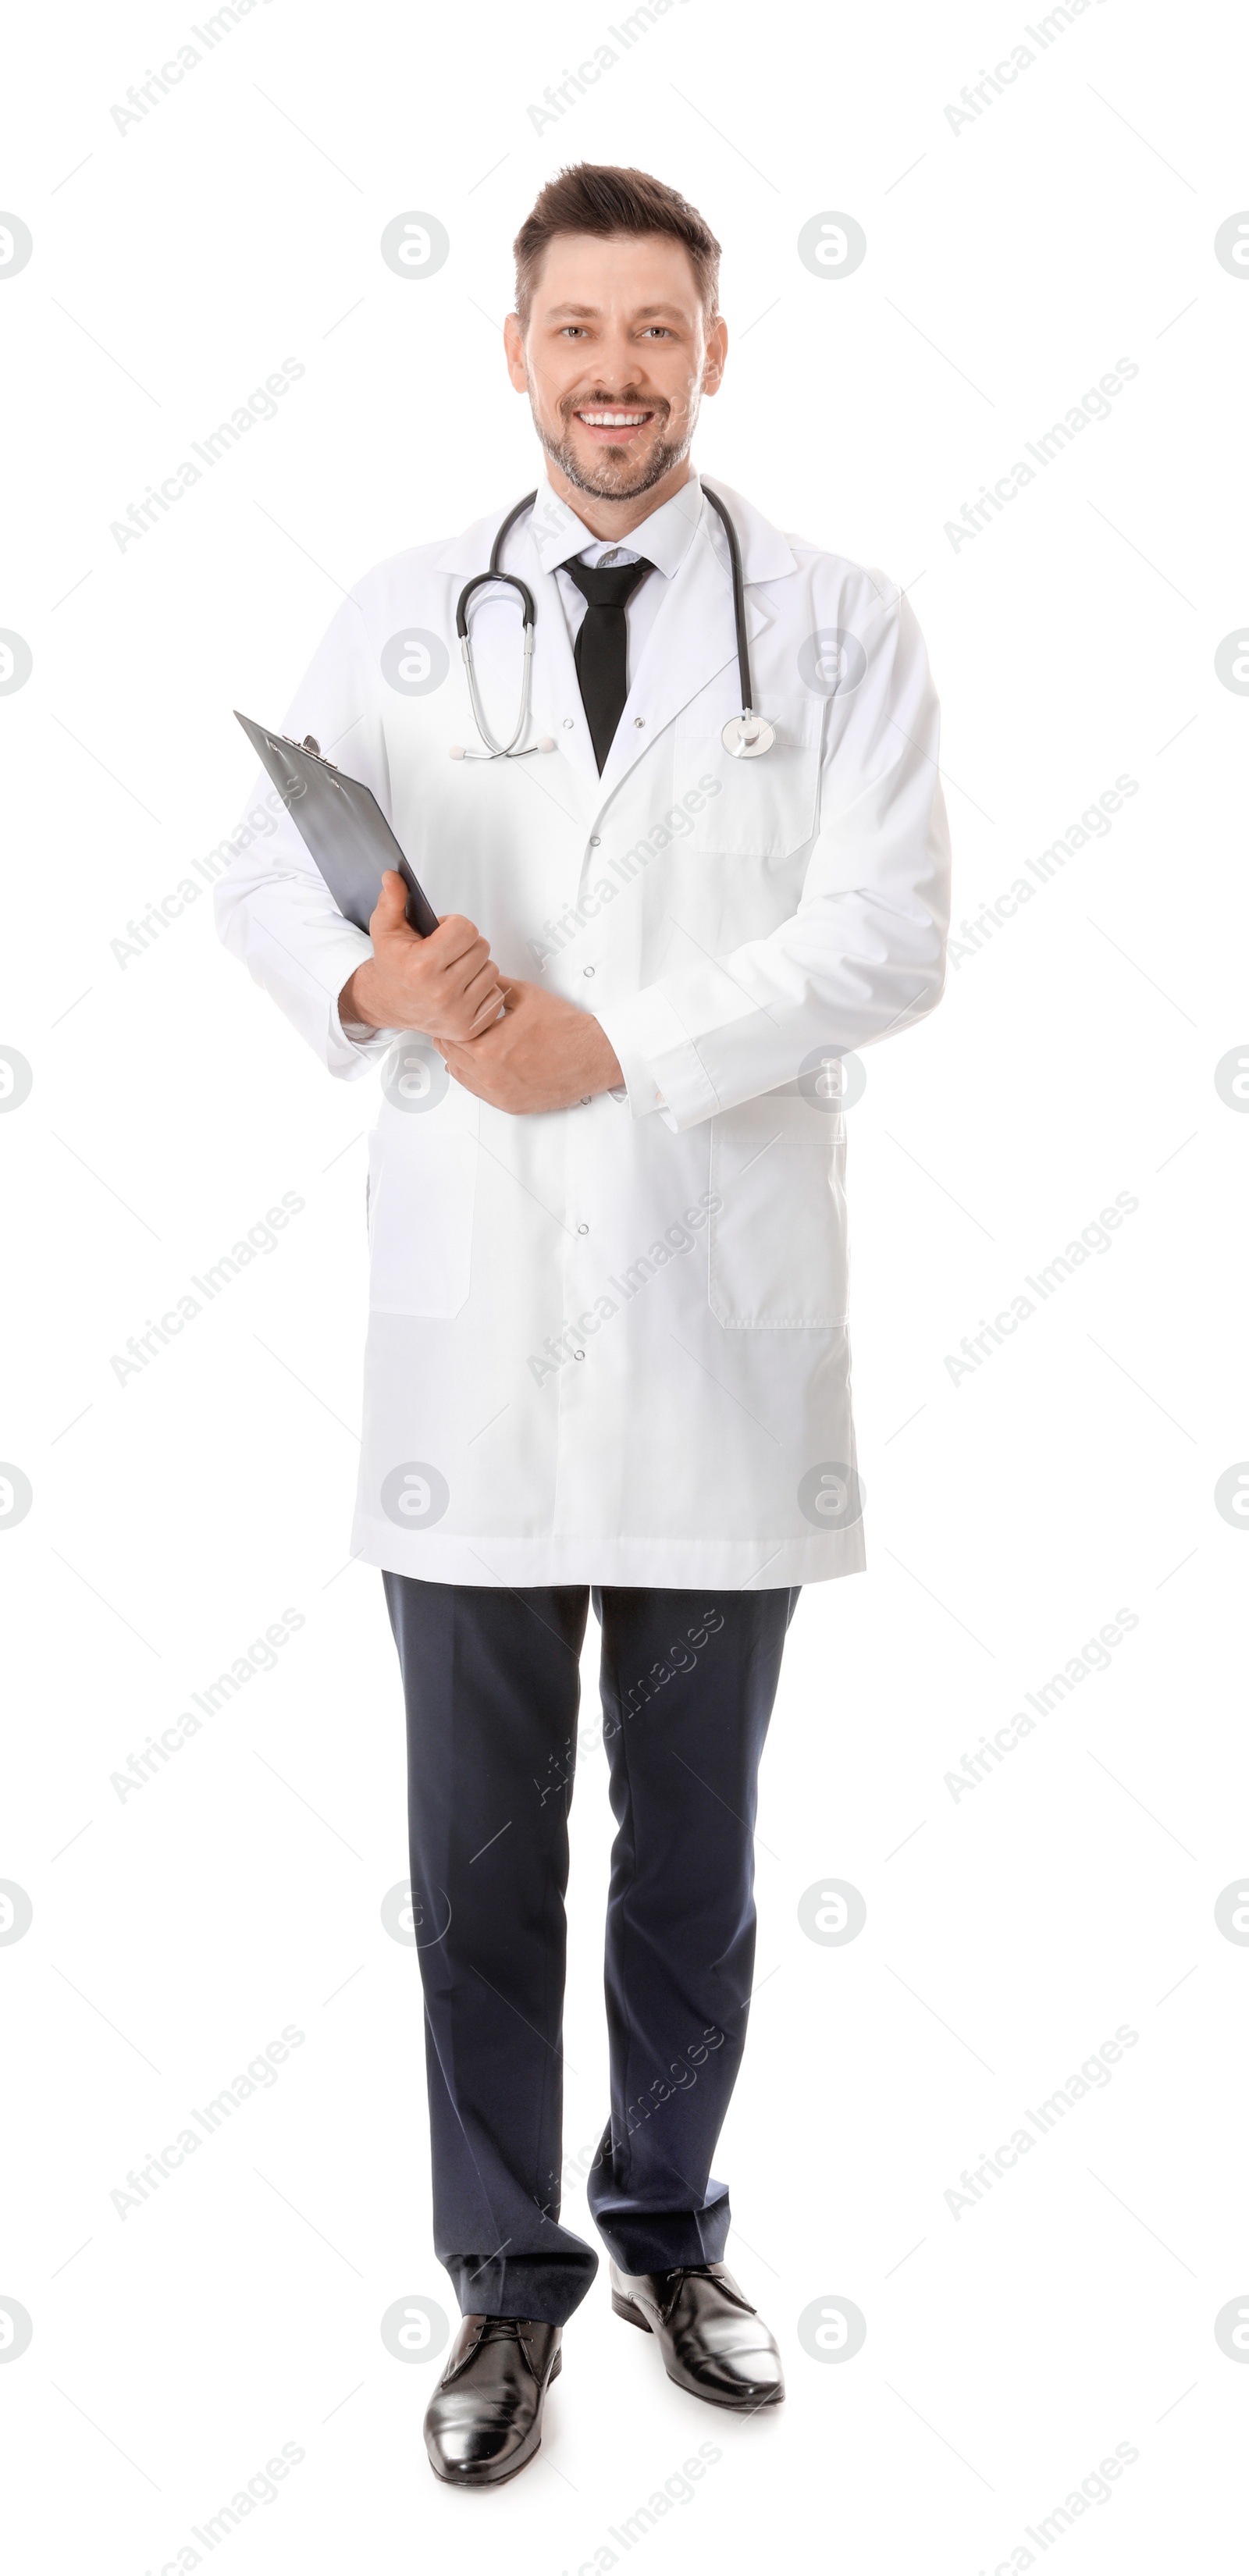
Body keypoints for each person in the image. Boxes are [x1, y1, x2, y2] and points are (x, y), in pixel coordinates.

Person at [217, 161, 950, 2488]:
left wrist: (604, 1043)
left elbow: (891, 932)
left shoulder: (836, 626)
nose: (618, 372)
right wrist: (371, 975)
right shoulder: (404, 613)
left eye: (660, 330)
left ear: (715, 350)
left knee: (697, 1852)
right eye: (579, 331)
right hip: (475, 1348)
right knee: (475, 1852)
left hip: (722, 1339)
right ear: (515, 351)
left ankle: (669, 2224)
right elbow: (265, 865)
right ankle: (502, 2289)